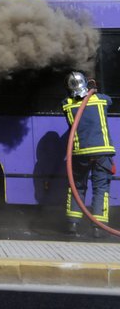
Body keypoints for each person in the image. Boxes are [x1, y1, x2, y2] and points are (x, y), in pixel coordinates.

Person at [62, 71, 115, 237]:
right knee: (101, 189)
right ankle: (98, 228)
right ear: (86, 83)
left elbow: (69, 102)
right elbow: (109, 99)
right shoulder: (101, 100)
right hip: (102, 153)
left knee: (77, 188)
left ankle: (73, 225)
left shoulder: (67, 104)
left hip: (80, 154)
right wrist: (93, 88)